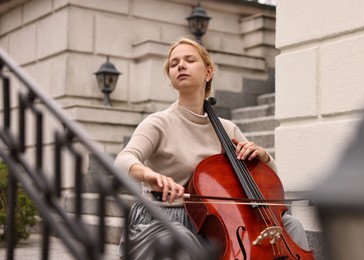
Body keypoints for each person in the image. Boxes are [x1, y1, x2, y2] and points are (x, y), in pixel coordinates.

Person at [114, 37, 310, 259]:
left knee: (291, 225)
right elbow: (124, 160)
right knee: (179, 240)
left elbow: (269, 183)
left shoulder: (227, 129)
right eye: (174, 63)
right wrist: (150, 175)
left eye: (189, 60)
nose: (180, 65)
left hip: (218, 220)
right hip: (164, 219)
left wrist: (263, 156)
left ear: (208, 72)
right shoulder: (159, 123)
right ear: (170, 77)